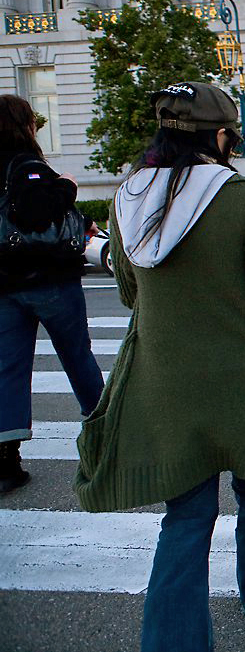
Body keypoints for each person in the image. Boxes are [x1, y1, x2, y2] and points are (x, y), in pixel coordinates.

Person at [72, 82, 245, 650]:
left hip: (166, 382)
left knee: (186, 519)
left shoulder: (128, 199)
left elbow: (128, 292)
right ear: (219, 136)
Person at [0, 95, 105, 494]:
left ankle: (6, 458)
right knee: (77, 356)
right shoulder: (26, 165)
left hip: (5, 286)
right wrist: (66, 188)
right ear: (23, 125)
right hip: (48, 280)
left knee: (8, 370)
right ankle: (102, 435)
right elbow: (37, 213)